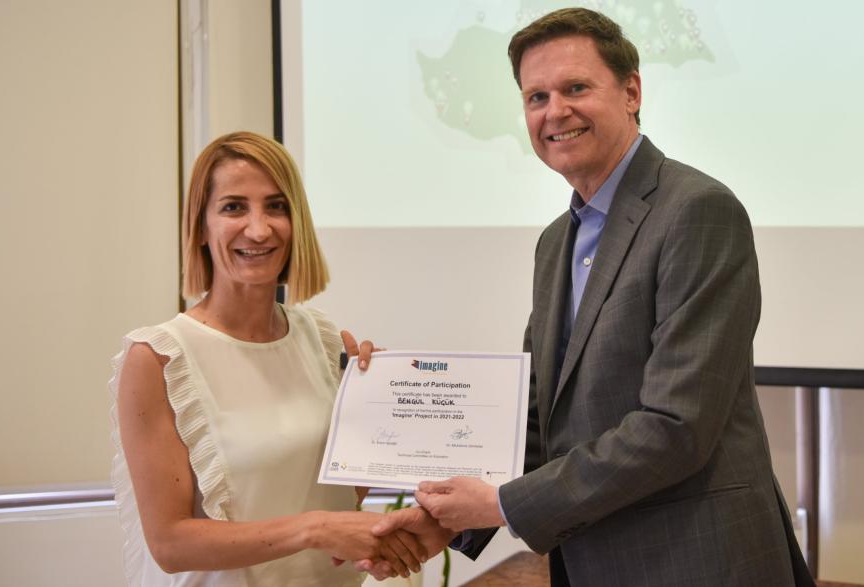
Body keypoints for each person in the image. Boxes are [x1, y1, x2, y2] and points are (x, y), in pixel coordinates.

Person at [369, 8, 815, 586]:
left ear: (631, 92)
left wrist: (501, 505)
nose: (555, 111)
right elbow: (539, 419)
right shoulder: (557, 241)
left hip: (697, 561)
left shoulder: (697, 210)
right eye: (536, 97)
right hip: (591, 563)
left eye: (576, 88)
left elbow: (676, 427)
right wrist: (447, 522)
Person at [110, 131, 433, 586]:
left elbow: (340, 496)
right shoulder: (159, 358)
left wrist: (373, 411)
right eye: (234, 207)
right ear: (200, 227)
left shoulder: (323, 339)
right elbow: (170, 544)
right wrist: (314, 529)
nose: (259, 229)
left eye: (276, 206)